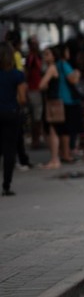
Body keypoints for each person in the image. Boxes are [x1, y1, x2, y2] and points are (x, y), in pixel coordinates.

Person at [0, 42, 27, 196]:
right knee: (9, 149)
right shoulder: (17, 75)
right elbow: (22, 98)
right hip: (11, 113)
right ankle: (6, 185)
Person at [24, 35, 44, 149]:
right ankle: (35, 140)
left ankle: (36, 139)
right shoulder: (32, 57)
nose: (37, 45)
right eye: (34, 43)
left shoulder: (35, 57)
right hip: (34, 89)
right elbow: (27, 73)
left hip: (36, 89)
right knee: (36, 117)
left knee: (37, 117)